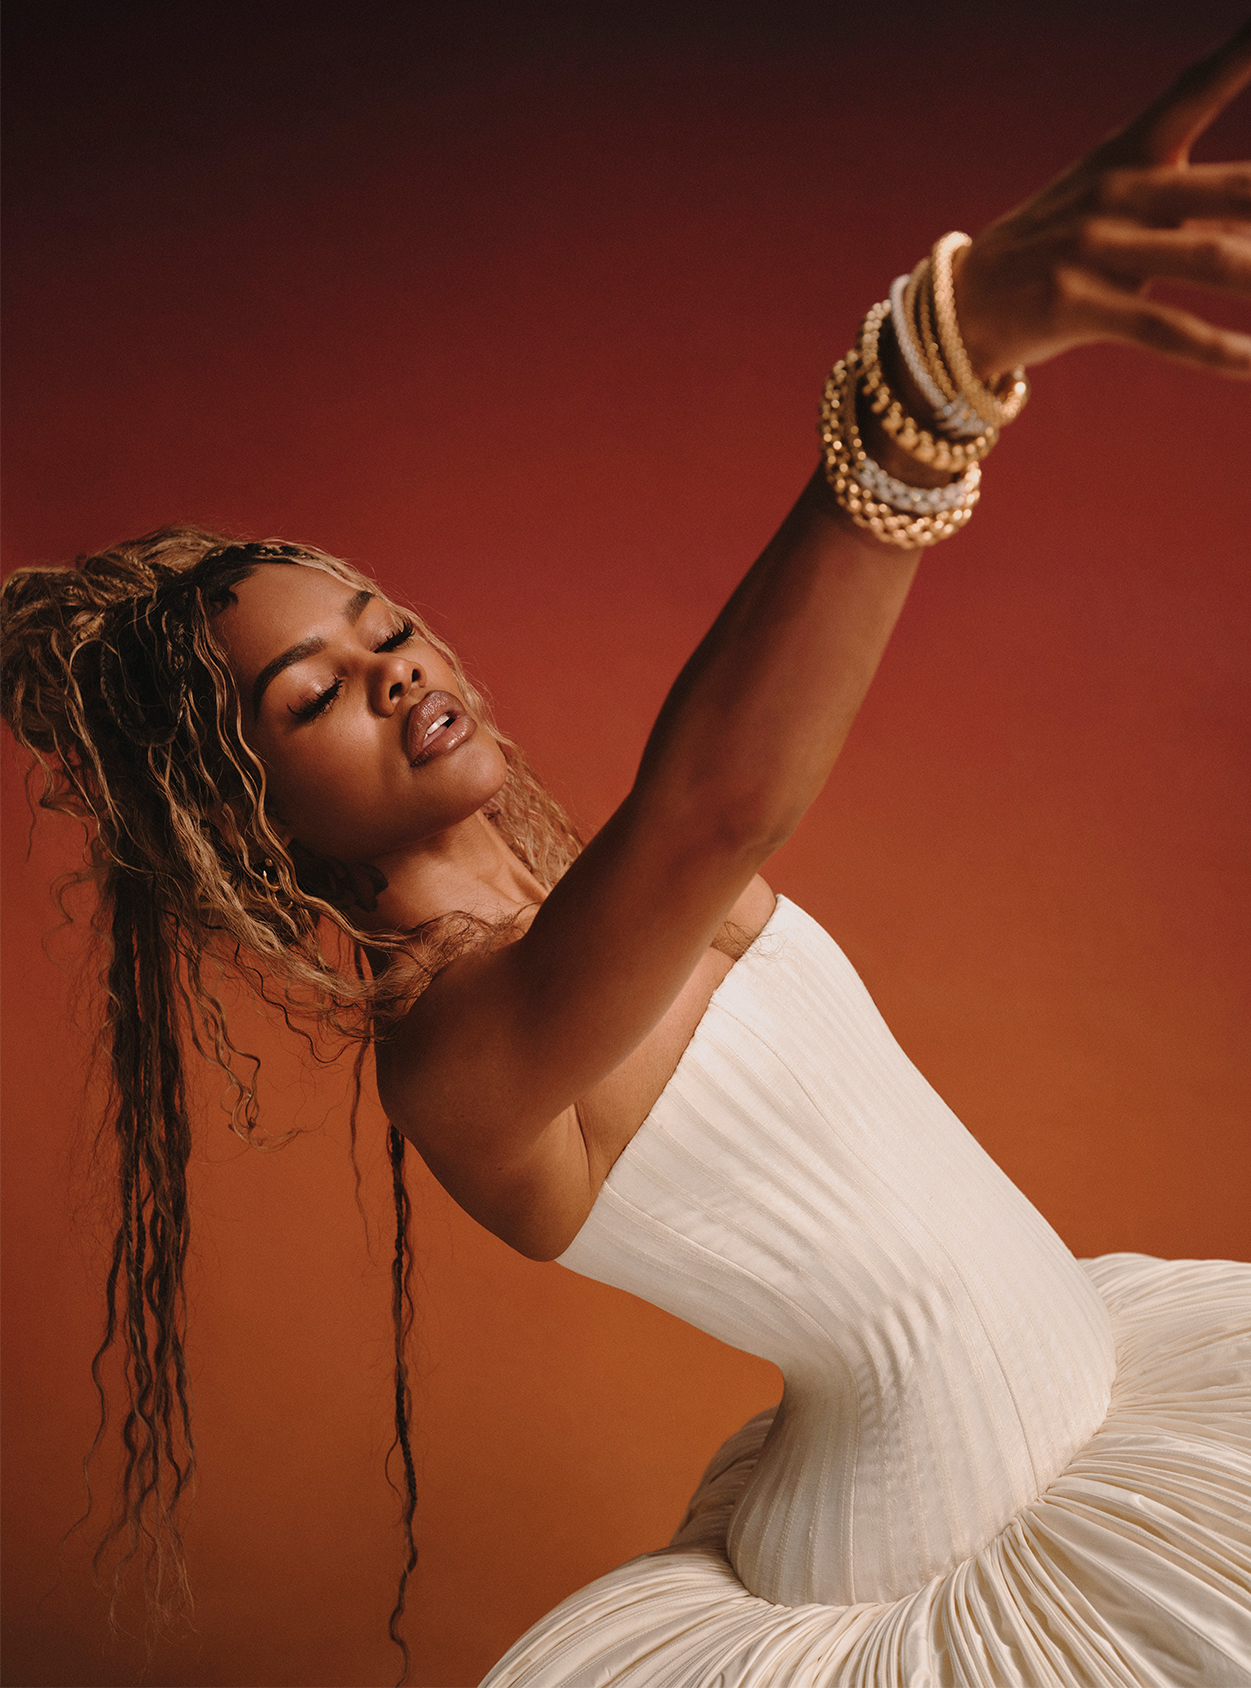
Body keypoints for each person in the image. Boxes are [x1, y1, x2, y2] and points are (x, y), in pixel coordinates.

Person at [2, 22, 1250, 1688]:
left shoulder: (570, 893)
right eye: (317, 697)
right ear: (248, 820)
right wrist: (936, 372)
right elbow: (717, 804)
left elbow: (697, 813)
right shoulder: (457, 1054)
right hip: (940, 1543)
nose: (393, 672)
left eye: (390, 630)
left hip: (1096, 1388)